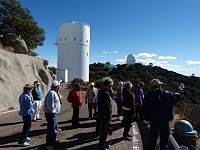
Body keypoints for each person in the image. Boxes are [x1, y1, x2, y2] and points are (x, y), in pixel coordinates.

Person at [141, 79, 183, 150]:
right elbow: (177, 96)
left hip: (154, 122)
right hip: (165, 123)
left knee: (152, 142)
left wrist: (148, 119)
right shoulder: (167, 94)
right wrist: (180, 89)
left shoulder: (148, 96)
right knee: (164, 143)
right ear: (159, 85)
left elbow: (143, 110)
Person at [43, 80, 61, 150]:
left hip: (53, 114)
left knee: (54, 128)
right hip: (51, 114)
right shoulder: (51, 93)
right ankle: (48, 144)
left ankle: (53, 140)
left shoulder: (53, 93)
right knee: (50, 129)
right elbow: (50, 105)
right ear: (56, 86)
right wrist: (54, 112)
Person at [98, 78, 113, 150]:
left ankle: (103, 144)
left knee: (104, 131)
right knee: (105, 132)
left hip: (101, 114)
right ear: (107, 85)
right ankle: (102, 147)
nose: (111, 87)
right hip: (105, 116)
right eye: (111, 85)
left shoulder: (101, 91)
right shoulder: (105, 93)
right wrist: (109, 119)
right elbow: (107, 107)